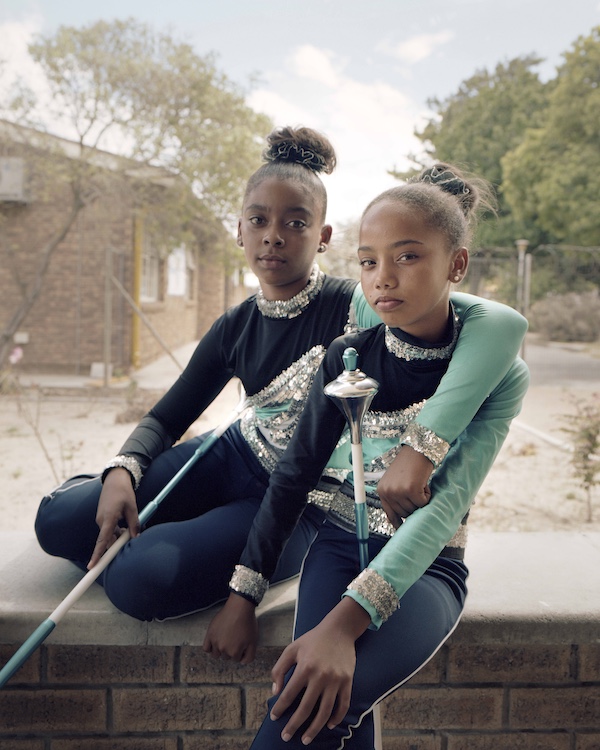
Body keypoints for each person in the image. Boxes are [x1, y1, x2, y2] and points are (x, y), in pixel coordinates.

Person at [35, 128, 526, 623]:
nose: (274, 235)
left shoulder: (359, 303)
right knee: (58, 523)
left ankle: (236, 555)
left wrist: (420, 448)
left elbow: (494, 322)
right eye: (259, 220)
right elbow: (167, 418)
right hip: (231, 454)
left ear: (324, 237)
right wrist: (124, 469)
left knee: (139, 576)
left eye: (296, 223)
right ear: (240, 230)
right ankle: (140, 515)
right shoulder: (235, 325)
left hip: (298, 497)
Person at [204, 164, 530, 748]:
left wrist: (344, 623)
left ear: (457, 264)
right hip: (333, 546)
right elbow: (293, 476)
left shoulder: (497, 374)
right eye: (368, 260)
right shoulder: (346, 358)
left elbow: (443, 506)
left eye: (407, 257)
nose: (383, 278)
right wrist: (243, 592)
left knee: (313, 711)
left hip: (427, 566)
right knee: (314, 707)